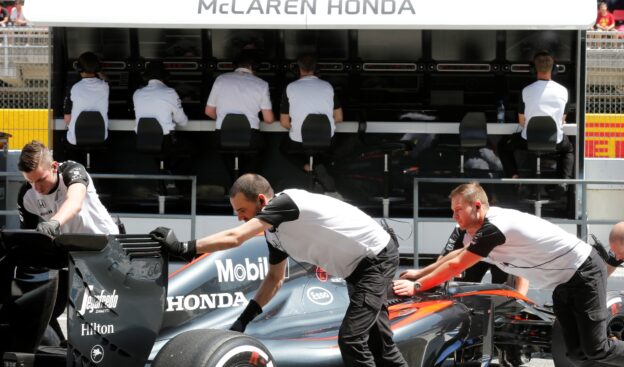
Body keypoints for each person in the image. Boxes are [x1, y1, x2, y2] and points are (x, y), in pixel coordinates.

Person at [150, 173, 408, 367]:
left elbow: (235, 237)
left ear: (262, 200)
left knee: (351, 339)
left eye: (242, 210)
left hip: (376, 258)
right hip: (358, 269)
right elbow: (274, 280)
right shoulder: (275, 236)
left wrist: (184, 247)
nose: (240, 217)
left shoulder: (288, 202)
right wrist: (244, 320)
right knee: (379, 344)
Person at [392, 182, 624, 366]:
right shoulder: (474, 231)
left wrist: (418, 286)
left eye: (458, 210)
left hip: (584, 271)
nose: (454, 216)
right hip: (563, 283)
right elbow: (451, 258)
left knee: (596, 348)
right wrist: (419, 272)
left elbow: (457, 266)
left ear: (477, 206)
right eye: (452, 211)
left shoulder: (495, 227)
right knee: (576, 354)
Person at [498, 51, 574, 182]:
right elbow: (562, 120)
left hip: (529, 142)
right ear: (554, 69)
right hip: (555, 142)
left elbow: (522, 122)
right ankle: (563, 183)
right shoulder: (563, 91)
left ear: (533, 70)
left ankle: (515, 178)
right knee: (568, 150)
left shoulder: (526, 91)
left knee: (503, 145)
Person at [17, 141, 119, 236]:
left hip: (105, 239)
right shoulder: (26, 195)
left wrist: (53, 223)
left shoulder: (73, 170)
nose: (36, 188)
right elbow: (27, 235)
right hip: (70, 247)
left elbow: (74, 202)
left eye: (41, 180)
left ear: (54, 167)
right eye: (31, 182)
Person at [400, 223, 529, 295]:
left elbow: (522, 272)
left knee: (503, 290)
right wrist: (421, 275)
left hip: (501, 258)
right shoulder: (461, 227)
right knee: (464, 285)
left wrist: (520, 298)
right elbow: (445, 257)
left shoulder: (501, 232)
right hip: (473, 257)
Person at [279, 53, 344, 193]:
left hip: (299, 141)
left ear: (298, 69)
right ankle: (319, 166)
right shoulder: (327, 86)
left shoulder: (290, 87)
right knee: (330, 150)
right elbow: (338, 118)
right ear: (316, 69)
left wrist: (298, 129)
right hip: (326, 140)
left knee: (284, 148)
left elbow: (284, 122)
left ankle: (307, 167)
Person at [205, 49, 274, 178]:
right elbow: (269, 119)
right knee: (261, 150)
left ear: (235, 65)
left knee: (226, 153)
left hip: (222, 137)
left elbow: (209, 112)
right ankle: (247, 181)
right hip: (251, 138)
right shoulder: (262, 84)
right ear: (255, 66)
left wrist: (223, 118)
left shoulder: (220, 80)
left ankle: (234, 183)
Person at [133, 60, 188, 170]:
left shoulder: (137, 93)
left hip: (143, 140)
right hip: (165, 142)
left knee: (159, 155)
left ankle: (163, 177)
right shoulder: (170, 92)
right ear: (165, 75)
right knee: (192, 147)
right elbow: (182, 121)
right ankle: (170, 178)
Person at [63, 51, 110, 146]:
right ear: (97, 69)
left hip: (74, 138)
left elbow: (67, 118)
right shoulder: (105, 87)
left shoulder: (75, 88)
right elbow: (107, 80)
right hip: (101, 136)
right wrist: (98, 70)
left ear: (79, 68)